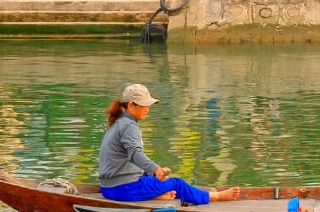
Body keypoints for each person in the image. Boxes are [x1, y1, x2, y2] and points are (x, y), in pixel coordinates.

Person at [98, 83, 237, 205]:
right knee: (178, 183)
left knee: (157, 179)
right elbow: (135, 154)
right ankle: (215, 196)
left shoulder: (118, 122)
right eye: (144, 105)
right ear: (130, 105)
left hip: (108, 188)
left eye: (148, 105)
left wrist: (154, 173)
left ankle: (156, 195)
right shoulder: (129, 126)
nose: (147, 108)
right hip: (124, 189)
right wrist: (156, 169)